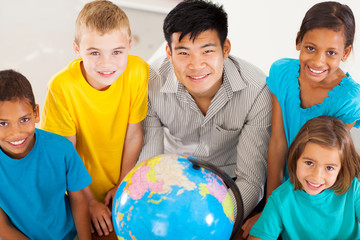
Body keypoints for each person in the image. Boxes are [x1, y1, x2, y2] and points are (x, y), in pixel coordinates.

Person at [138, 0, 272, 221]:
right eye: (183, 53)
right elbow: (147, 164)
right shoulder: (150, 82)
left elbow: (251, 181)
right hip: (172, 182)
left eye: (207, 51)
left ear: (225, 48)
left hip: (229, 185)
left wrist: (216, 223)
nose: (196, 65)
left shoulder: (257, 89)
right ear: (169, 53)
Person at [242, 2, 360, 237]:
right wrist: (269, 208)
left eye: (331, 53)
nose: (317, 62)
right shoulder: (283, 73)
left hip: (317, 188)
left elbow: (328, 156)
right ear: (298, 41)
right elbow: (277, 143)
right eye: (310, 48)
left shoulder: (348, 98)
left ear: (345, 53)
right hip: (278, 190)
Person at [40, 0, 149, 237]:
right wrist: (88, 201)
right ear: (77, 49)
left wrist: (123, 186)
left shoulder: (138, 71)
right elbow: (64, 154)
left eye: (117, 52)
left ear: (130, 45)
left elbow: (133, 135)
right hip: (78, 190)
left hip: (122, 183)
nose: (106, 63)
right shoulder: (62, 87)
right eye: (94, 52)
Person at [0, 70, 92, 240]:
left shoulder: (61, 149)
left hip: (69, 235)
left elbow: (78, 199)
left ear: (36, 113)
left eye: (24, 120)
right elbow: (2, 227)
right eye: (3, 123)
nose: (16, 133)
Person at [249, 116, 360, 239]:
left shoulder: (353, 189)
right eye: (309, 163)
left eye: (329, 168)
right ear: (296, 157)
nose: (316, 176)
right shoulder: (280, 199)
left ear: (341, 168)